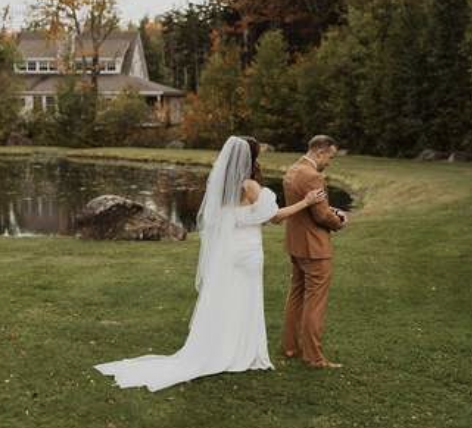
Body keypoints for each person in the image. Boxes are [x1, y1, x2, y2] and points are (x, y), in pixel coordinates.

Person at [94, 136, 329, 392]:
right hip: (248, 252)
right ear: (250, 158)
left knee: (228, 298)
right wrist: (306, 202)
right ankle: (242, 351)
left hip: (229, 252)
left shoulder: (222, 184)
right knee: (246, 299)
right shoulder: (249, 186)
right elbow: (274, 217)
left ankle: (221, 346)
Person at [282, 134, 351, 368]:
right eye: (330, 156)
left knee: (296, 295)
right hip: (314, 247)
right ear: (320, 152)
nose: (329, 162)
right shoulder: (313, 176)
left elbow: (311, 206)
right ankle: (313, 357)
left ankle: (291, 347)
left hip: (296, 244)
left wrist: (332, 209)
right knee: (315, 301)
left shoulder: (293, 170)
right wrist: (339, 221)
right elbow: (321, 215)